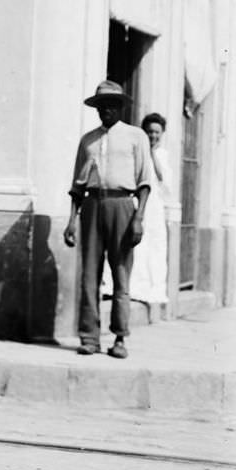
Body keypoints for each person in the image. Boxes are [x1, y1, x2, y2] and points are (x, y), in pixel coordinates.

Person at [63, 80, 153, 359]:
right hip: (92, 205)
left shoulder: (136, 136)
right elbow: (77, 186)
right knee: (89, 274)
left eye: (112, 105)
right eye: (102, 106)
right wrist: (72, 221)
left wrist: (138, 217)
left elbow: (145, 182)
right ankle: (89, 337)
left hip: (122, 205)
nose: (106, 110)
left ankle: (119, 337)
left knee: (121, 274)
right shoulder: (87, 140)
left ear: (120, 107)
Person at [128, 112, 172, 313]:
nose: (153, 136)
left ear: (161, 134)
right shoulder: (137, 152)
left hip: (155, 207)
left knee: (155, 247)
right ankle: (135, 288)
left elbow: (163, 179)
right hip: (138, 204)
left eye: (157, 132)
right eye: (149, 132)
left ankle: (152, 291)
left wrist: (152, 153)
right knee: (138, 246)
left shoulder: (163, 155)